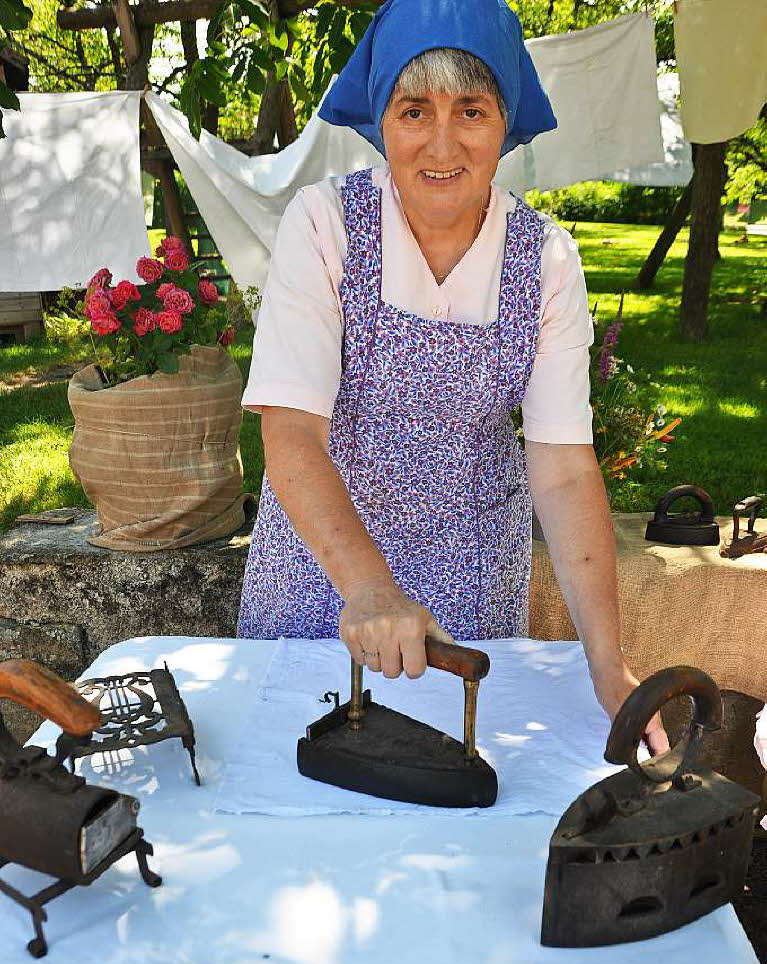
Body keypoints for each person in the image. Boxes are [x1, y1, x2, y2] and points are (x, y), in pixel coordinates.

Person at [238, 0, 669, 755]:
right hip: (326, 570)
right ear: (380, 121)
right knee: (302, 769)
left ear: (506, 122)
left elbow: (563, 468)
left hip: (470, 569)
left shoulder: (545, 260)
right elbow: (291, 433)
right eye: (413, 110)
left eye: (470, 109)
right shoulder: (325, 225)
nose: (442, 143)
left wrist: (608, 664)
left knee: (465, 769)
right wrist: (369, 588)